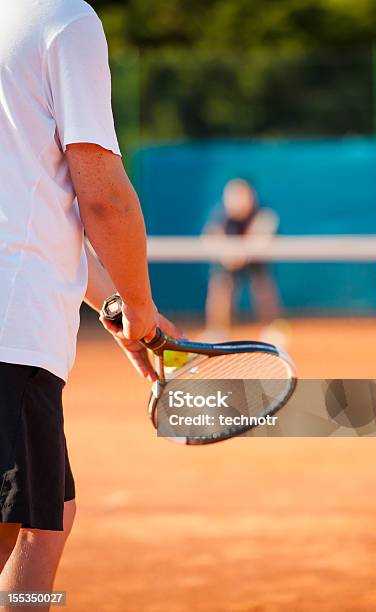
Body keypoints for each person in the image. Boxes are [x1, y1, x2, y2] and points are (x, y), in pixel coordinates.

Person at [0, 1, 177, 607]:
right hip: (12, 335)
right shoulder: (64, 19)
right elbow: (100, 197)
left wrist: (117, 308)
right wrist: (142, 307)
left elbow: (34, 209)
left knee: (51, 514)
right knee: (33, 527)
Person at [204, 179, 280, 338]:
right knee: (220, 286)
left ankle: (272, 328)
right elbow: (211, 237)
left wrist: (243, 253)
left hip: (255, 258)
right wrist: (228, 254)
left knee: (263, 286)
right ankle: (217, 330)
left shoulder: (264, 214)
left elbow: (261, 237)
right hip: (227, 259)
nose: (238, 199)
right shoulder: (220, 216)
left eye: (242, 195)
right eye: (233, 195)